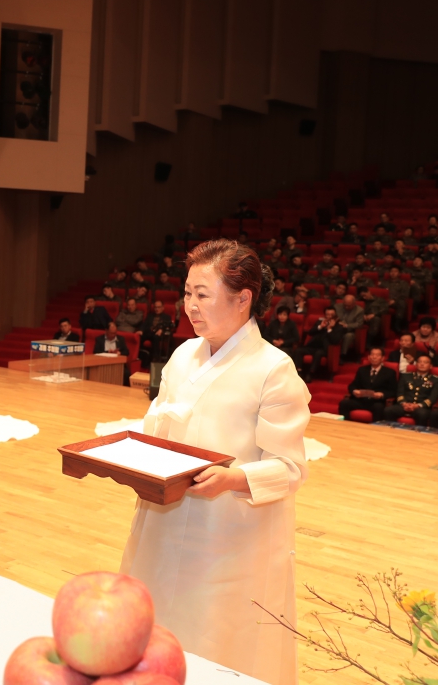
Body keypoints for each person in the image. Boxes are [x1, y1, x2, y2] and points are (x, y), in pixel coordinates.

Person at [120, 239, 308, 685]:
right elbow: (158, 423)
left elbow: (290, 468)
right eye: (187, 293)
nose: (190, 305)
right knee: (158, 616)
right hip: (166, 513)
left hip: (229, 533)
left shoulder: (273, 369)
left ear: (243, 299)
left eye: (202, 294)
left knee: (219, 633)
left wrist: (233, 478)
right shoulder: (185, 354)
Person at [338, 347, 398, 422]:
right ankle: (344, 426)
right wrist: (354, 391)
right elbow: (352, 385)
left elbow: (393, 391)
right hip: (361, 400)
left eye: (377, 355)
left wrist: (382, 394)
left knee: (378, 407)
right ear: (369, 357)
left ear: (382, 358)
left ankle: (375, 430)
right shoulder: (362, 370)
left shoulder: (390, 372)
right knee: (344, 403)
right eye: (372, 355)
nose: (374, 357)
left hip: (376, 402)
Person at [382, 355, 438, 425]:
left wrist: (417, 405)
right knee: (388, 410)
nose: (422, 364)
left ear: (431, 366)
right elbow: (400, 393)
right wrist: (404, 404)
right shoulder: (406, 376)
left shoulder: (435, 379)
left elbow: (433, 398)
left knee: (422, 414)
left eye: (425, 362)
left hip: (421, 407)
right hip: (404, 405)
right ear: (416, 365)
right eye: (419, 362)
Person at [296, 307, 342, 381]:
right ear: (325, 315)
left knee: (318, 353)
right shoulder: (319, 322)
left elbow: (335, 340)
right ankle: (299, 372)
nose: (329, 316)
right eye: (327, 314)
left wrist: (329, 329)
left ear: (335, 315)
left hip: (326, 349)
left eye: (331, 315)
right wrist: (320, 327)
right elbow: (310, 333)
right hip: (313, 346)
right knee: (298, 351)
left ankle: (310, 373)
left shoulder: (338, 326)